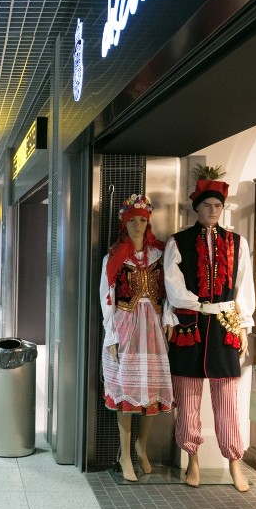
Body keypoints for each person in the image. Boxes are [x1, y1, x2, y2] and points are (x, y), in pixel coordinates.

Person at [163, 177, 255, 492]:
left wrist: (244, 324)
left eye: (218, 206)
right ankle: (193, 460)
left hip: (226, 325)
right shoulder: (178, 241)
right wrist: (197, 305)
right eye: (208, 205)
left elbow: (244, 286)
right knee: (187, 396)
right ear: (197, 208)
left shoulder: (237, 242)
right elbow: (174, 288)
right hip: (191, 325)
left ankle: (234, 462)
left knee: (228, 397)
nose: (213, 210)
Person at [100, 195, 174, 482]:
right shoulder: (115, 257)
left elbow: (168, 292)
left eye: (142, 220)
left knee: (152, 387)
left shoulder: (160, 254)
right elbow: (107, 297)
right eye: (132, 220)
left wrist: (168, 318)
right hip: (126, 326)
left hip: (153, 328)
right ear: (124, 223)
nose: (138, 225)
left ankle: (142, 446)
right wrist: (111, 335)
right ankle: (125, 453)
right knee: (127, 388)